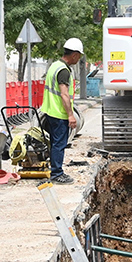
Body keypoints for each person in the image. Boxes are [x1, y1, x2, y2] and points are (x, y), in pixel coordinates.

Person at [40, 38, 83, 185]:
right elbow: (64, 94)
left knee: (55, 143)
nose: (78, 59)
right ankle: (57, 173)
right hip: (59, 113)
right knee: (59, 143)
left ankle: (55, 170)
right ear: (75, 55)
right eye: (79, 56)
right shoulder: (64, 71)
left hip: (51, 111)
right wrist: (71, 115)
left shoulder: (55, 66)